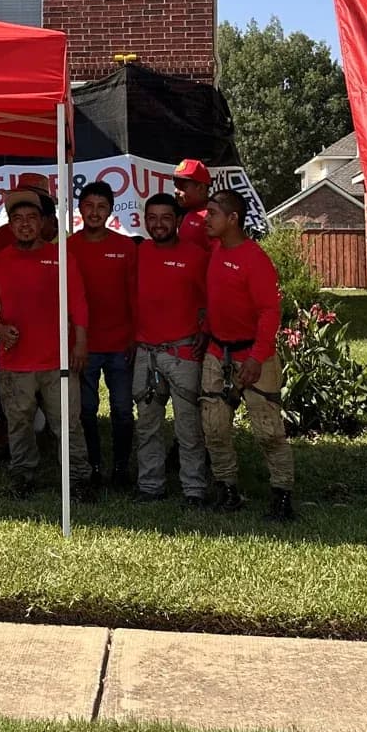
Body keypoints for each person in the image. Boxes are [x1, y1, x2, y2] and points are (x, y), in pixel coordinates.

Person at [0, 184, 93, 500]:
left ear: (43, 222)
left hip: (59, 360)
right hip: (16, 363)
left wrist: (80, 343)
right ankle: (23, 478)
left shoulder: (61, 257)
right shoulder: (0, 260)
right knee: (19, 425)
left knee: (68, 425)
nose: (25, 223)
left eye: (32, 217)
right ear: (9, 225)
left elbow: (78, 303)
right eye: (18, 218)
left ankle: (79, 480)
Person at [203, 188, 295, 520]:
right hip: (218, 352)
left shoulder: (255, 260)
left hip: (254, 355)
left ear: (233, 219)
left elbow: (270, 312)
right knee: (214, 427)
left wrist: (257, 357)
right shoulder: (213, 249)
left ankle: (282, 496)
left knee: (269, 431)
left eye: (212, 213)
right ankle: (227, 490)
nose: (206, 219)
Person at [130, 192, 210, 505]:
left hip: (183, 353)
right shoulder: (138, 253)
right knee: (147, 425)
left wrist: (206, 331)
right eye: (152, 218)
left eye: (166, 218)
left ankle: (194, 490)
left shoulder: (195, 255)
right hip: (145, 353)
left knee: (188, 427)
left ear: (177, 220)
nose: (158, 224)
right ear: (144, 220)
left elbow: (211, 300)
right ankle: (151, 486)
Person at [69, 180, 138, 488]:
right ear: (80, 209)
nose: (95, 213)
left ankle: (121, 468)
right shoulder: (68, 247)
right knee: (86, 409)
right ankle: (94, 466)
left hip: (120, 344)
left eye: (102, 207)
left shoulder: (125, 247)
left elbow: (135, 295)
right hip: (82, 346)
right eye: (89, 206)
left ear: (111, 210)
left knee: (123, 410)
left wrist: (136, 336)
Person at [173, 159, 214, 250]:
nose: (176, 191)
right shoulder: (190, 212)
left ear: (201, 188)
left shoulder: (212, 217)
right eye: (175, 185)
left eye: (182, 186)